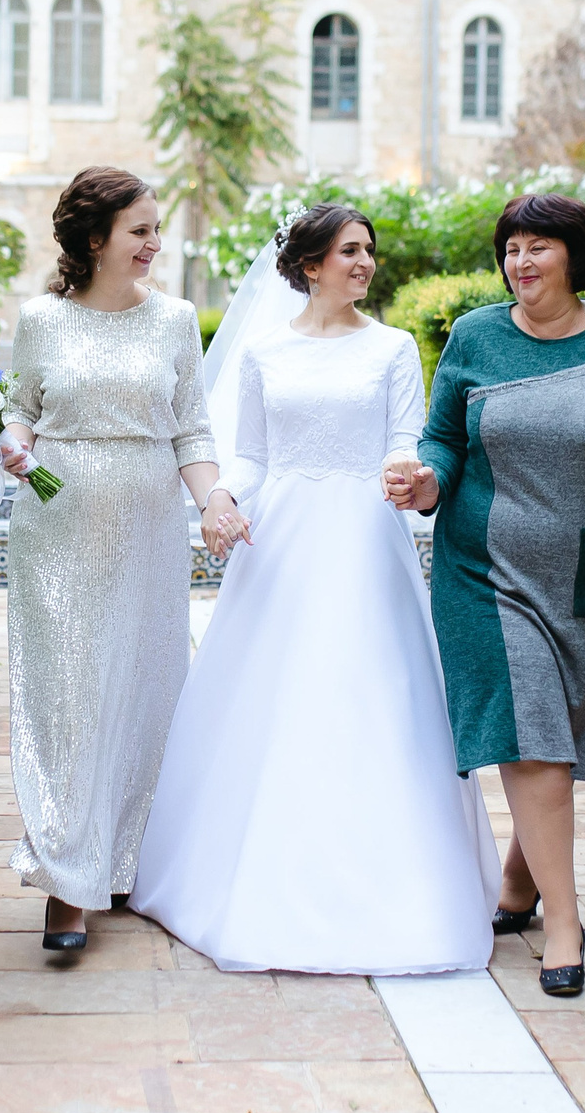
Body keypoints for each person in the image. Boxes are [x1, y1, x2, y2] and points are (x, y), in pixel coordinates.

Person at [130, 206, 500, 975]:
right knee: (277, 699)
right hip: (283, 546)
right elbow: (253, 458)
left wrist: (406, 472)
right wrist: (222, 499)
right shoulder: (265, 351)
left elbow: (404, 440)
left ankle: (398, 888)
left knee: (373, 695)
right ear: (309, 265)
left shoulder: (394, 347)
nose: (364, 263)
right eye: (348, 251)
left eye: (368, 251)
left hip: (366, 542)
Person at [384, 193, 585, 997]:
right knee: (531, 737)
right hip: (488, 571)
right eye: (512, 248)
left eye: (538, 247)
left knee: (567, 736)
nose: (521, 262)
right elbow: (443, 441)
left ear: (575, 255)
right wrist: (426, 483)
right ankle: (565, 923)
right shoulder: (475, 336)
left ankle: (522, 881)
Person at [0, 167, 249, 953]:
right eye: (140, 230)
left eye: (155, 228)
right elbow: (20, 410)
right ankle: (66, 882)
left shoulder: (175, 320)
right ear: (95, 237)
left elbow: (191, 429)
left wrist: (214, 500)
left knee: (143, 690)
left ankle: (127, 859)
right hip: (56, 528)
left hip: (148, 532)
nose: (154, 243)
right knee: (68, 696)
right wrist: (14, 444)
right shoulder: (40, 320)